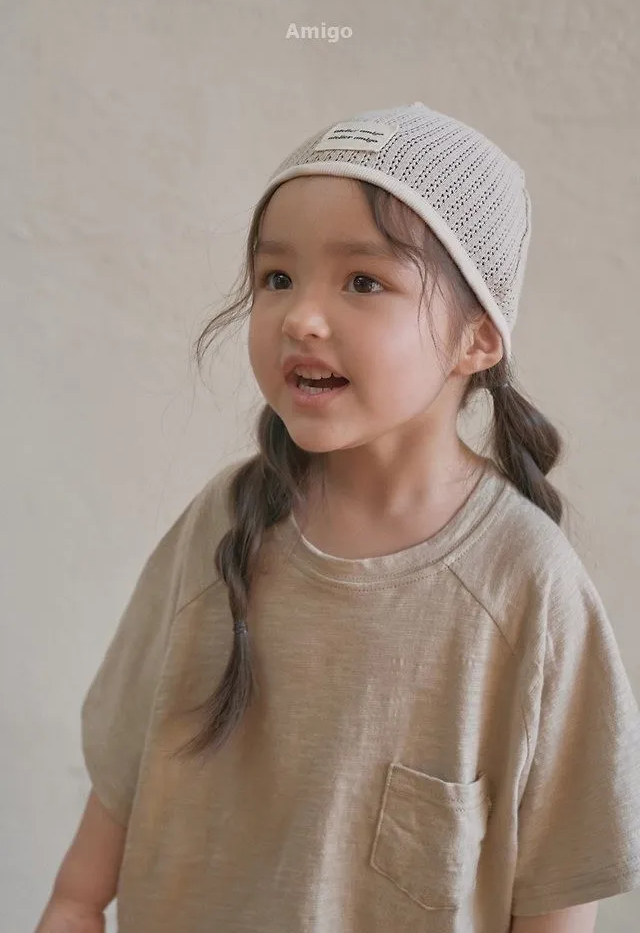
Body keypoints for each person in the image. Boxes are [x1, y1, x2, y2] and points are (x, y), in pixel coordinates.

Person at [35, 102, 640, 933]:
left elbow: (559, 887)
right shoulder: (223, 525)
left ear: (477, 337)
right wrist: (72, 906)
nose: (301, 318)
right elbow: (119, 780)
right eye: (277, 278)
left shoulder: (526, 586)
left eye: (363, 281)